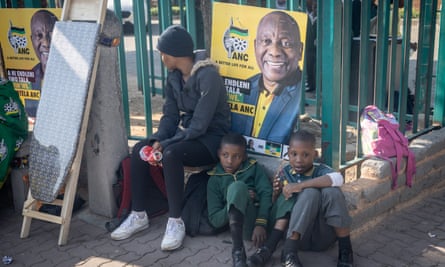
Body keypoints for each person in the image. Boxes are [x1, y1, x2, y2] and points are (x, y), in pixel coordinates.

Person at [110, 25, 231, 252]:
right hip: (187, 134)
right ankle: (138, 214)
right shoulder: (174, 77)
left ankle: (176, 221)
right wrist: (156, 139)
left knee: (171, 154)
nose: (161, 56)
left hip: (211, 139)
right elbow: (170, 116)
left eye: (162, 52)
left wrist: (166, 145)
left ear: (174, 53)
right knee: (139, 149)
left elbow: (200, 125)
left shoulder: (208, 76)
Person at [247, 130, 354, 267]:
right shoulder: (285, 172)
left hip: (323, 236)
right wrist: (277, 193)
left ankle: (346, 251)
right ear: (288, 153)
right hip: (296, 236)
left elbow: (339, 178)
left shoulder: (320, 170)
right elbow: (279, 208)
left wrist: (301, 185)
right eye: (294, 154)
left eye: (305, 155)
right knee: (305, 193)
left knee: (332, 192)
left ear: (315, 155)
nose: (299, 160)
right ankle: (285, 252)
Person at [230, 11, 304, 144]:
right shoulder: (242, 87)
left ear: (300, 51)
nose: (274, 52)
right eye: (266, 41)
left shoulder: (302, 93)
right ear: (255, 47)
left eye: (286, 43)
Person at [206, 132, 273, 267]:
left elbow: (266, 193)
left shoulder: (253, 168)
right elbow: (215, 220)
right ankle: (238, 251)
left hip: (263, 222)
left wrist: (261, 223)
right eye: (225, 155)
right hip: (243, 229)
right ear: (219, 153)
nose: (230, 161)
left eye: (236, 156)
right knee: (237, 187)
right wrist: (234, 201)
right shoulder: (215, 179)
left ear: (244, 157)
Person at [28, 9, 58, 118]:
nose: (46, 43)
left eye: (51, 34)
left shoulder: (72, 76)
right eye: (39, 35)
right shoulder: (28, 79)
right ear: (32, 40)